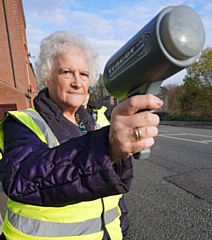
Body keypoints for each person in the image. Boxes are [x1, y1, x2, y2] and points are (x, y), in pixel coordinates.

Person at [0, 31, 163, 240]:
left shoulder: (99, 122)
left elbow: (114, 197)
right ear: (47, 77)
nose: (77, 82)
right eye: (67, 72)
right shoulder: (23, 122)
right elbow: (24, 178)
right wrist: (105, 149)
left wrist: (123, 231)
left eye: (84, 74)